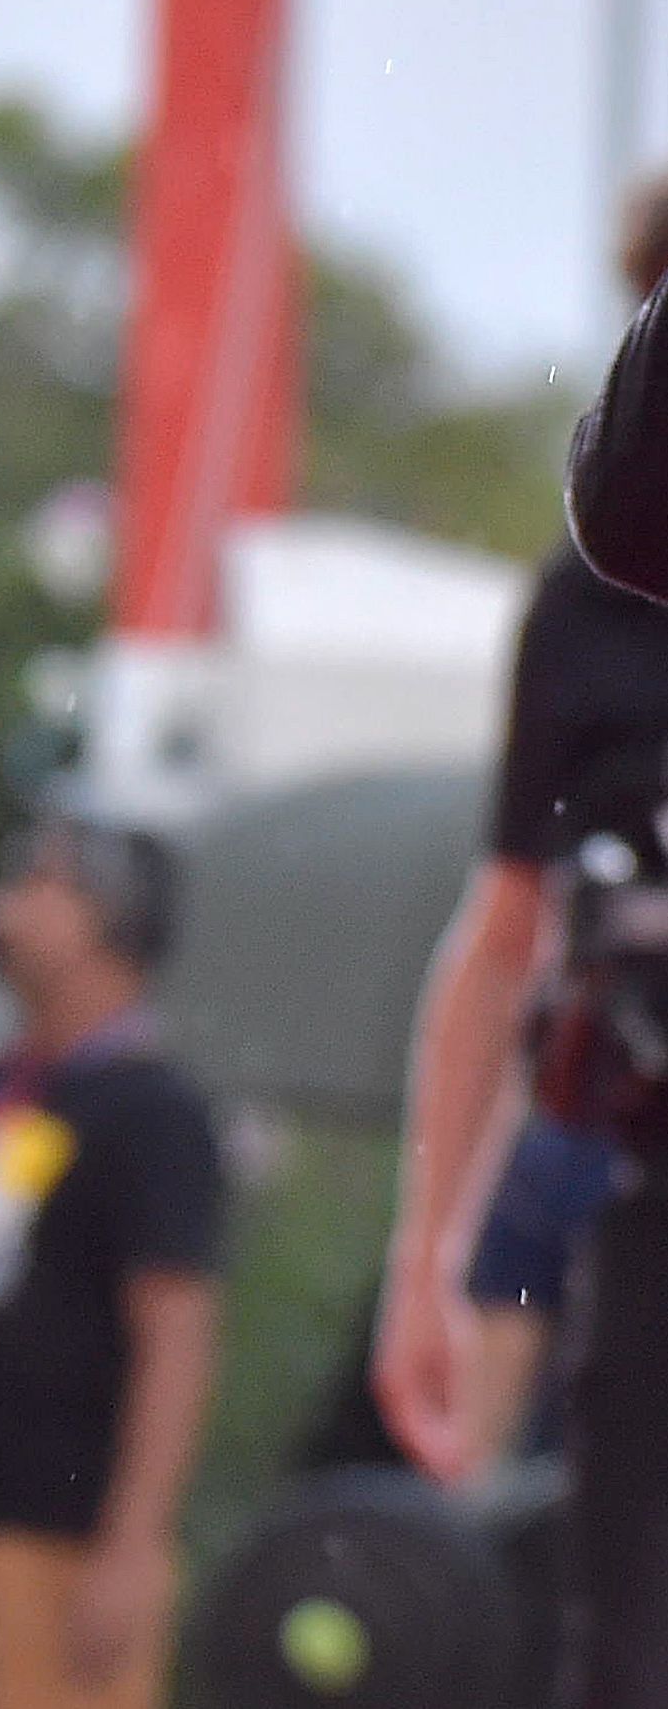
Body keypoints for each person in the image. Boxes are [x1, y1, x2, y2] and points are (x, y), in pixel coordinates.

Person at [382, 176, 668, 1707]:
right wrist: (429, 1255)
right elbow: (503, 934)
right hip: (642, 1168)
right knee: (616, 1633)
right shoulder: (595, 591)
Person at [0, 817, 220, 1709]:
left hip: (58, 1537)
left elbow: (176, 1334)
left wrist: (133, 1545)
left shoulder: (152, 1109)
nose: (6, 898)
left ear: (108, 917)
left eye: (41, 879)